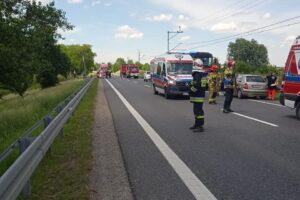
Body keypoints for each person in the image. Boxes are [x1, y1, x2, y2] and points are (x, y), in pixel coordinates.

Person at [189, 59, 207, 132]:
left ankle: (200, 126)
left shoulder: (197, 74)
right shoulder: (202, 73)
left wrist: (190, 91)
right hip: (200, 95)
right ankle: (197, 124)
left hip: (197, 95)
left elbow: (196, 85)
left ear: (195, 65)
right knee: (197, 111)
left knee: (198, 112)